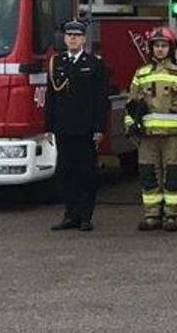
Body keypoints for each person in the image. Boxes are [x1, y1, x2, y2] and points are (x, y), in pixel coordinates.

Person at [125, 26, 177, 232]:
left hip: (173, 137)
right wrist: (131, 129)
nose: (159, 49)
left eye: (164, 45)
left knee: (172, 175)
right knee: (149, 175)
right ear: (151, 48)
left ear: (171, 48)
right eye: (156, 45)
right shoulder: (141, 74)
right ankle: (151, 215)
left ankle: (171, 216)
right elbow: (131, 104)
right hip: (147, 137)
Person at [45, 19, 108, 232]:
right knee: (65, 173)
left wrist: (99, 128)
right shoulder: (57, 62)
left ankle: (85, 217)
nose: (72, 39)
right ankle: (70, 214)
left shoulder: (94, 63)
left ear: (83, 39)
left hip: (85, 129)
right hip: (63, 128)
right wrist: (49, 126)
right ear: (64, 39)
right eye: (69, 35)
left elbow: (101, 99)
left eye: (77, 35)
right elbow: (51, 98)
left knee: (86, 174)